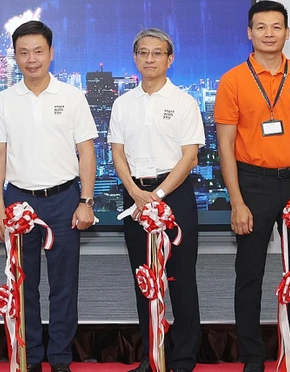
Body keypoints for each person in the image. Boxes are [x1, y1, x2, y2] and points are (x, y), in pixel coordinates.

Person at [215, 0, 290, 372]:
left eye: (276, 27)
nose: (268, 34)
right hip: (253, 184)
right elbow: (226, 146)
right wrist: (236, 201)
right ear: (249, 33)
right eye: (260, 27)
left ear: (287, 33)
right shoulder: (233, 80)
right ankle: (252, 358)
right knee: (249, 274)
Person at [0, 20, 98, 372]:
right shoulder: (4, 101)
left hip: (65, 199)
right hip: (19, 202)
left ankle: (61, 358)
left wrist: (87, 200)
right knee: (24, 285)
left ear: (51, 53)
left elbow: (87, 151)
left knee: (64, 285)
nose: (31, 59)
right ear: (15, 57)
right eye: (23, 53)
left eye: (38, 51)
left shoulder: (71, 96)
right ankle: (31, 356)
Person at [108, 29, 204, 372]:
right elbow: (117, 153)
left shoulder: (183, 102)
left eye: (157, 53)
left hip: (173, 193)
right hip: (135, 194)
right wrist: (135, 192)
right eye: (144, 53)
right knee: (145, 277)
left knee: (180, 277)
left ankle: (182, 357)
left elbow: (190, 156)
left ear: (170, 59)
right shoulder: (123, 103)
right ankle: (153, 355)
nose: (150, 59)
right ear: (135, 58)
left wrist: (159, 196)